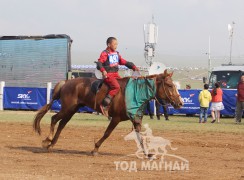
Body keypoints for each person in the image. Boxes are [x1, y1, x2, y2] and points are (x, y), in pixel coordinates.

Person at [96, 37, 139, 116]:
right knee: (116, 87)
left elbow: (123, 62)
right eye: (114, 44)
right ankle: (104, 105)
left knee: (124, 86)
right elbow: (99, 63)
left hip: (116, 74)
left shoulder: (116, 54)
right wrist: (103, 71)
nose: (116, 45)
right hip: (108, 75)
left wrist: (133, 67)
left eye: (117, 44)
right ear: (109, 44)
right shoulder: (105, 53)